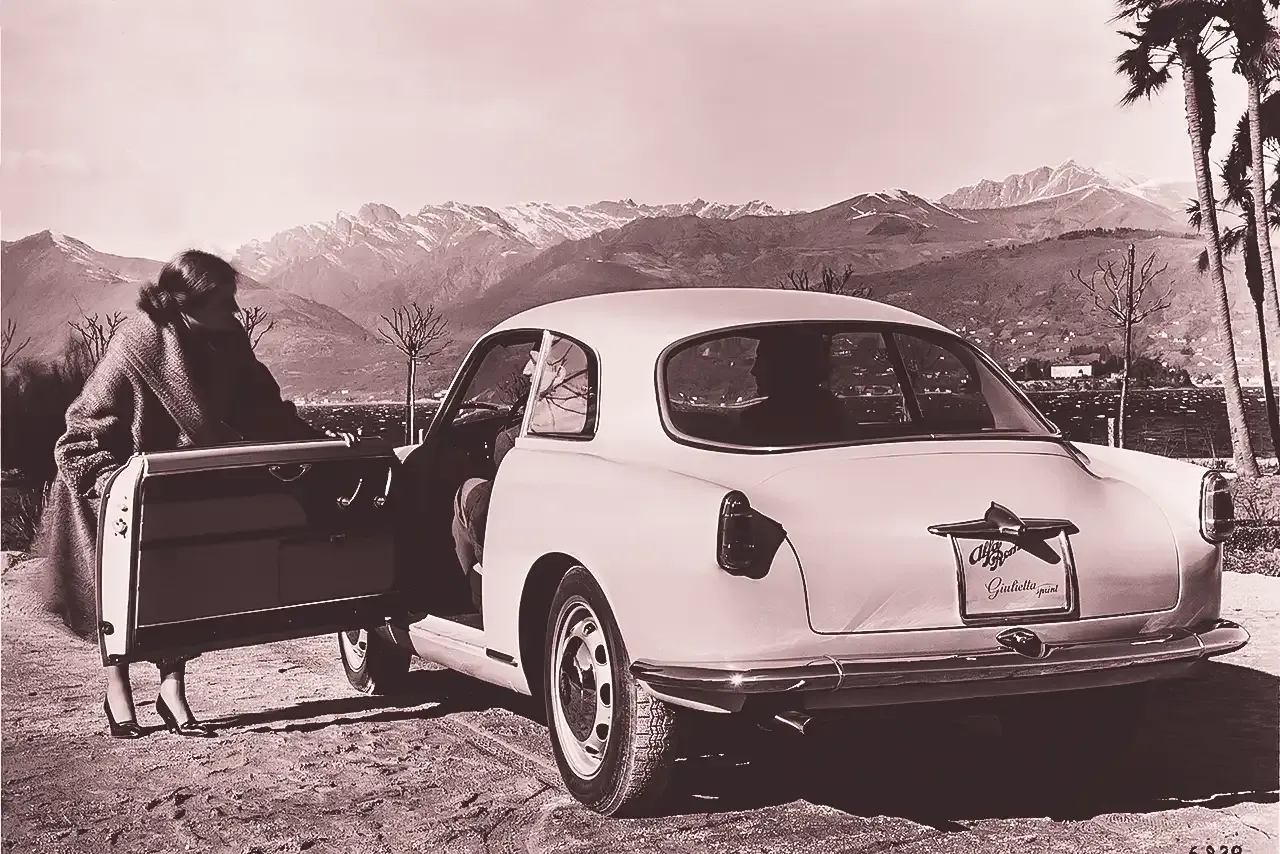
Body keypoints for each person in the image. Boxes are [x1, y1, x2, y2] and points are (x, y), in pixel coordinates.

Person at [35, 249, 324, 739]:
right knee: (118, 589)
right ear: (186, 303)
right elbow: (79, 435)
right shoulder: (135, 344)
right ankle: (117, 688)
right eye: (225, 302)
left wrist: (316, 442)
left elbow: (265, 411)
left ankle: (172, 691)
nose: (236, 311)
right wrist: (117, 486)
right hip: (116, 490)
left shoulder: (230, 342)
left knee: (178, 587)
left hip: (179, 486)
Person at [450, 349, 541, 612]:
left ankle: (467, 594)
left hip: (524, 539)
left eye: (535, 360)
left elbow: (503, 506)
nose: (526, 370)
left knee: (469, 491)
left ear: (559, 370)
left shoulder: (512, 440)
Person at [740, 327, 843, 445]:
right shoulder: (833, 413)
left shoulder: (758, 422)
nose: (754, 371)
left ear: (783, 366)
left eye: (761, 360)